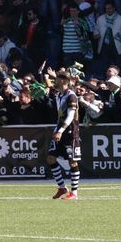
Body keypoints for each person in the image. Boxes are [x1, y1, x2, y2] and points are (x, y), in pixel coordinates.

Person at [46, 72, 81, 200]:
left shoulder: (71, 97)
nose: (54, 81)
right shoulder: (59, 95)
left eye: (56, 79)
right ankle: (62, 187)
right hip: (59, 131)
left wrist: (60, 130)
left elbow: (70, 116)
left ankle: (74, 192)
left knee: (72, 161)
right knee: (50, 158)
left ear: (62, 81)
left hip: (70, 132)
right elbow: (60, 116)